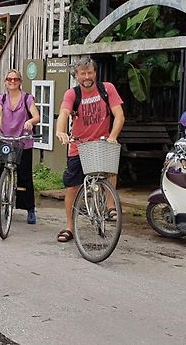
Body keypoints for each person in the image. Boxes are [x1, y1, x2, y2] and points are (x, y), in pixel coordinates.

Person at [55, 57, 125, 242]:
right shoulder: (72, 94)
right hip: (79, 145)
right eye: (83, 73)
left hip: (102, 142)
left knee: (110, 168)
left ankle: (110, 207)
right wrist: (60, 132)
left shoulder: (107, 89)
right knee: (72, 187)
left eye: (90, 72)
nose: (87, 76)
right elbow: (63, 113)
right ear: (76, 75)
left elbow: (119, 115)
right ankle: (70, 227)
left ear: (95, 73)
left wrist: (113, 136)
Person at [0, 69, 40, 224]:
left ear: (20, 82)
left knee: (24, 177)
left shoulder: (27, 98)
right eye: (9, 79)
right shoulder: (2, 98)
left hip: (23, 140)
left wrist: (31, 121)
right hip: (6, 139)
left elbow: (36, 115)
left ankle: (29, 209)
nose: (12, 81)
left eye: (15, 79)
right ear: (5, 82)